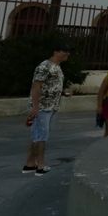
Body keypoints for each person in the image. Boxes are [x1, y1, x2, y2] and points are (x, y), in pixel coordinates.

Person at [23, 43, 71, 175]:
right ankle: (40, 165)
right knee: (42, 136)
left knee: (37, 135)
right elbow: (36, 86)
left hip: (50, 106)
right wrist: (35, 107)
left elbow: (50, 86)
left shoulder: (57, 67)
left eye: (68, 51)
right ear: (56, 51)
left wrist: (62, 93)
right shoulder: (45, 66)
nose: (67, 54)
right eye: (65, 51)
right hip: (42, 107)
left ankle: (30, 163)